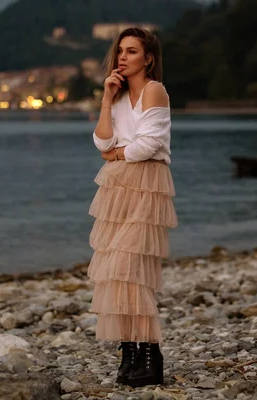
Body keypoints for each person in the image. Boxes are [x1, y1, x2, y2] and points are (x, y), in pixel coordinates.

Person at [87, 27, 177, 388]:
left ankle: (151, 355)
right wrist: (107, 99)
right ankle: (129, 353)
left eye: (131, 52)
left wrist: (117, 153)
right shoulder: (119, 95)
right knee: (116, 273)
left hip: (147, 186)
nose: (123, 57)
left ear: (148, 58)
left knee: (131, 270)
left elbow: (148, 146)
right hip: (117, 188)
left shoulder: (155, 90)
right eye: (120, 51)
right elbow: (101, 141)